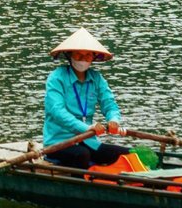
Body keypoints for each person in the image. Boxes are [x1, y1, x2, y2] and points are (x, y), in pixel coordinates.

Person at [43, 28, 128, 169]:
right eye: (78, 55)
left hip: (89, 141)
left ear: (94, 57)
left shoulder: (96, 78)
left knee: (125, 154)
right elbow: (57, 111)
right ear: (69, 55)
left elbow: (109, 104)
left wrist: (114, 120)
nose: (83, 59)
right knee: (82, 155)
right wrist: (87, 128)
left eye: (88, 55)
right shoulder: (57, 77)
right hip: (59, 143)